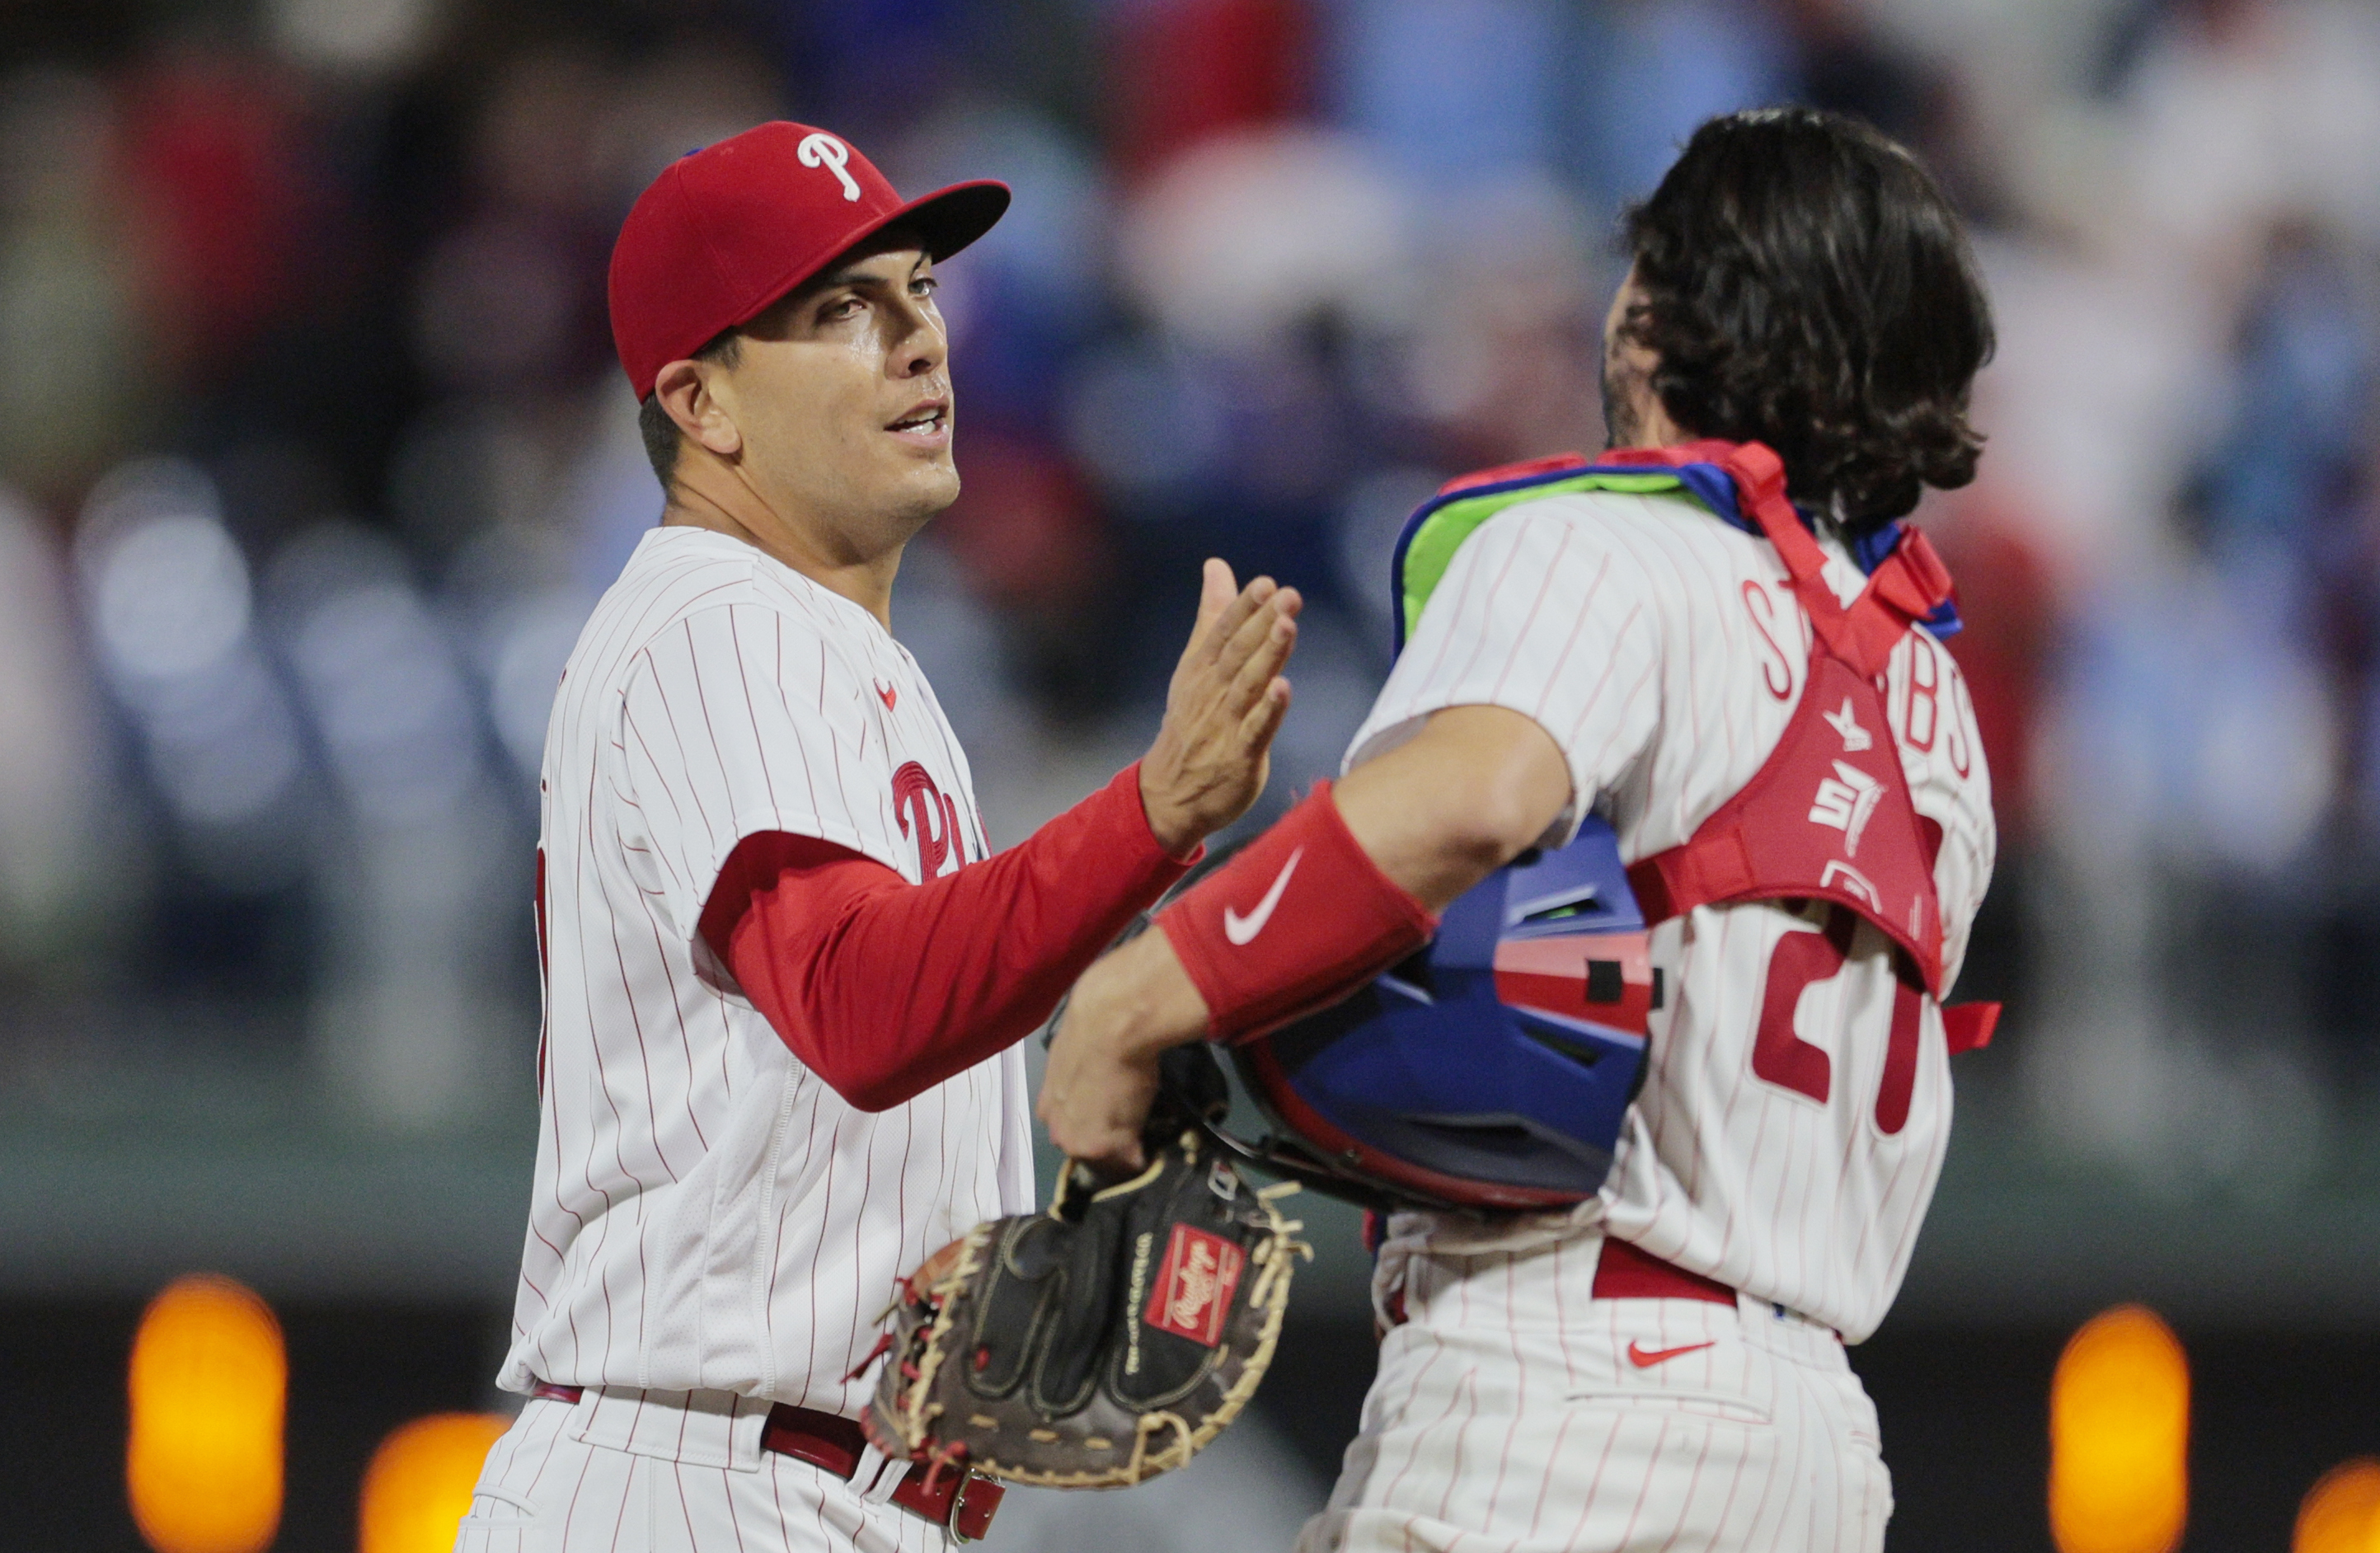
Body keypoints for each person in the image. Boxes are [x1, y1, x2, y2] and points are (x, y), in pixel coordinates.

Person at [1040, 106, 1997, 1551]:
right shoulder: (1938, 707)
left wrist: (1135, 996)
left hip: (1564, 1387)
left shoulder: (1602, 545)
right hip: (1813, 1446)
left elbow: (1478, 795)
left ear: (1658, 317)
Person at [455, 120, 1302, 1553]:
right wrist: (1150, 815)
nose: (921, 338)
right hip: (702, 1483)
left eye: (918, 290)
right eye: (843, 309)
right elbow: (859, 1001)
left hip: (820, 1483)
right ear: (702, 404)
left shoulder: (848, 651)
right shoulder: (717, 620)